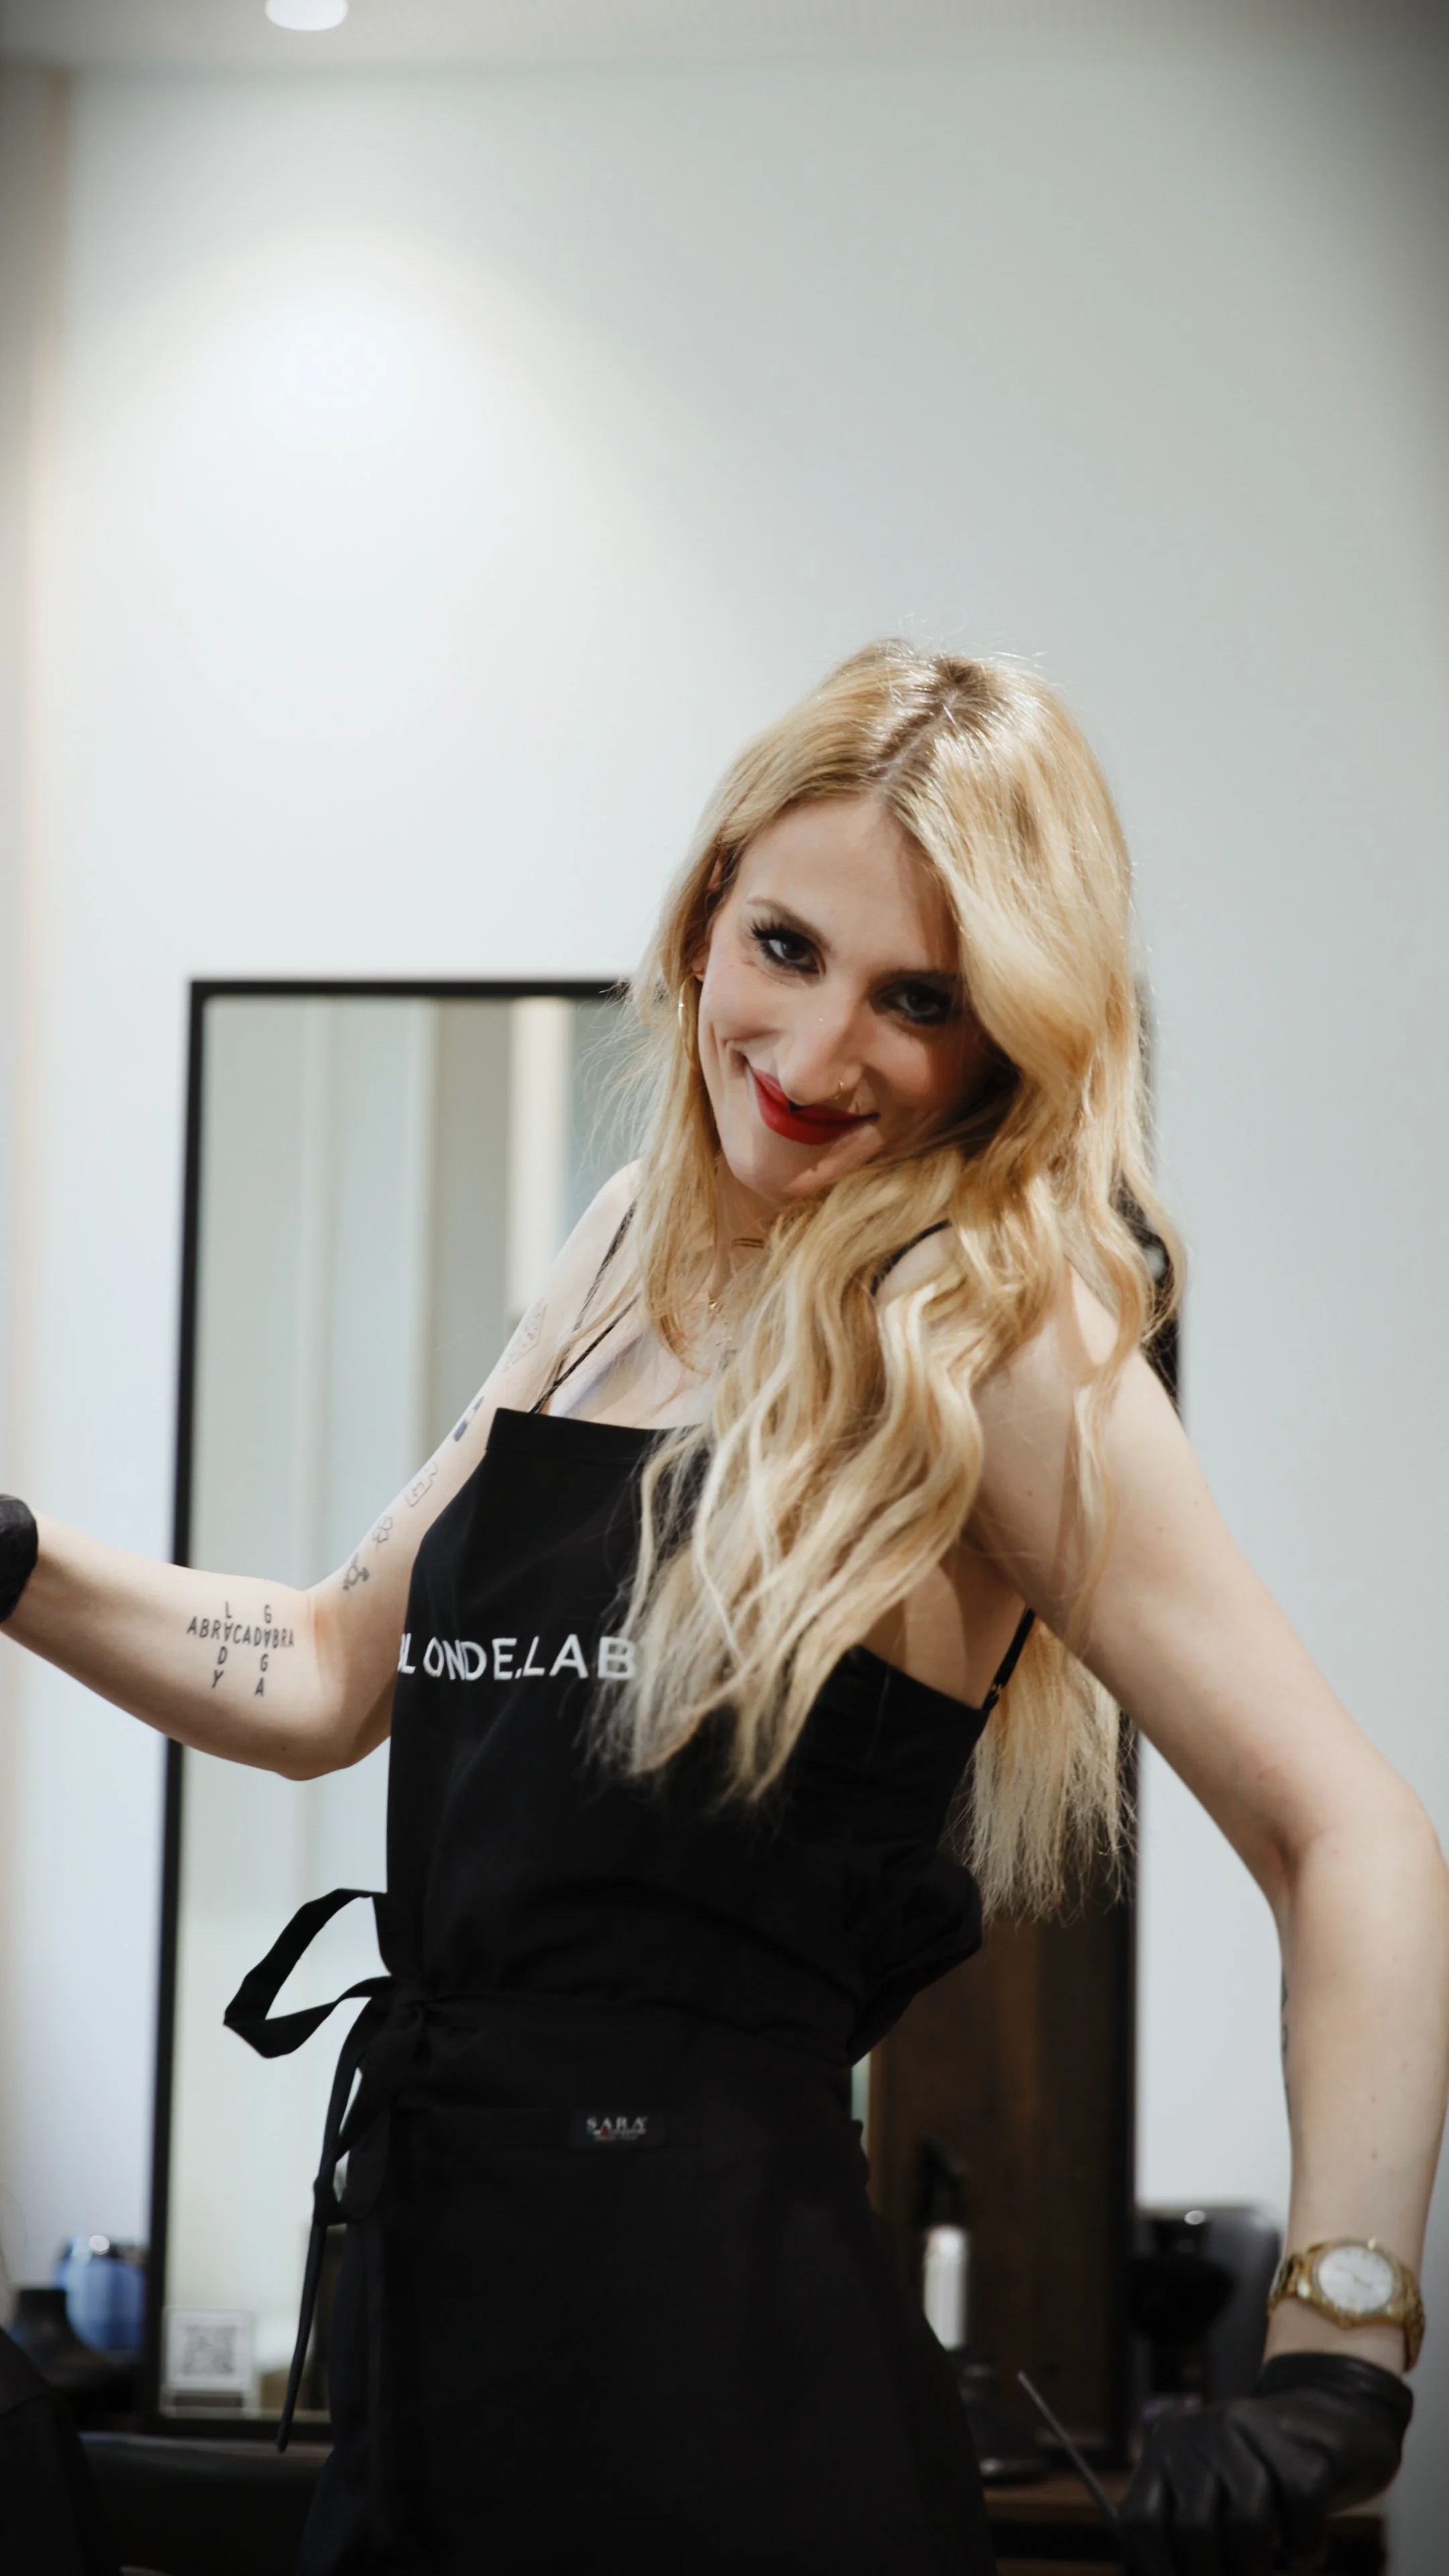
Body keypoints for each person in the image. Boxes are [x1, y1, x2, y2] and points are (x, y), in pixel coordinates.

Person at [1, 643, 1444, 2575]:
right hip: (432, 2362)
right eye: (786, 947)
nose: (820, 1050)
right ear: (702, 925)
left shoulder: (994, 1330)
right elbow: (333, 1667)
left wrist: (1340, 2353)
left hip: (724, 2413)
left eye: (918, 1000)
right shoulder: (618, 1256)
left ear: (1005, 1042)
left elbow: (1345, 1832)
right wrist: (13, 1559)